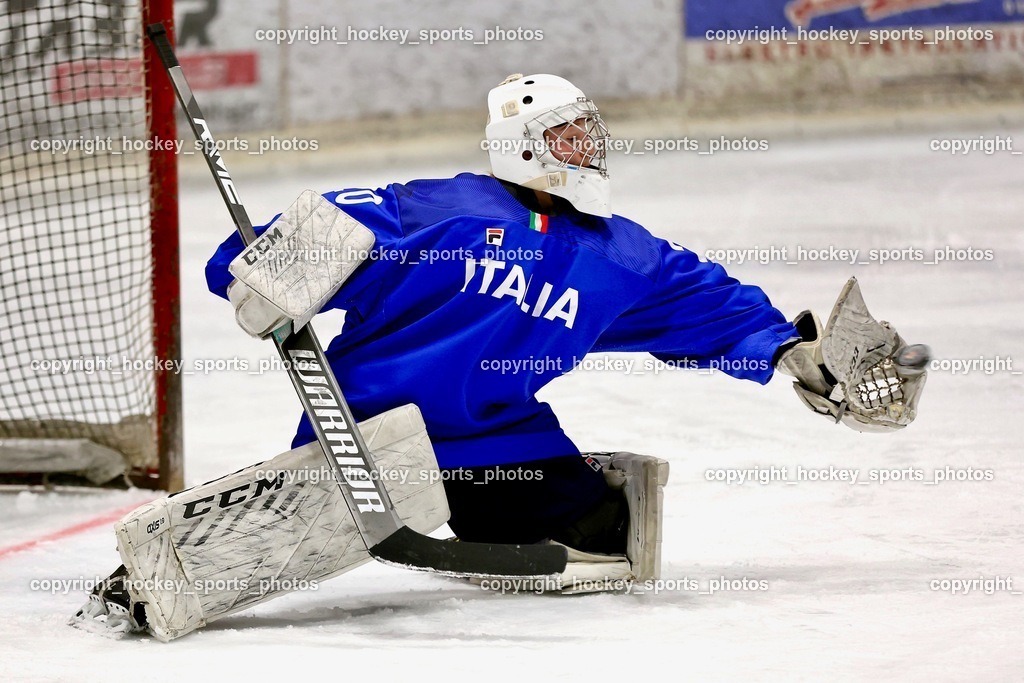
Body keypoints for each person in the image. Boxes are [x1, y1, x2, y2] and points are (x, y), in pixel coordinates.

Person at [73, 73, 927, 639]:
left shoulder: (618, 253)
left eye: (590, 134)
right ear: (523, 145)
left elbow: (704, 300)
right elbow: (286, 244)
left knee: (612, 537)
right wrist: (257, 276)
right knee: (208, 563)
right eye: (567, 138)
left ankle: (514, 501)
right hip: (373, 436)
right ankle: (140, 583)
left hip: (500, 446)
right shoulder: (433, 212)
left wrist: (790, 346)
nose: (586, 151)